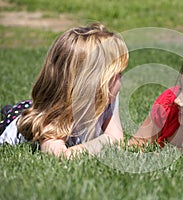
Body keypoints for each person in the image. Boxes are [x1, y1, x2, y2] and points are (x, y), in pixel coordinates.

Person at [0, 22, 129, 158]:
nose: (121, 80)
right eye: (117, 74)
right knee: (22, 113)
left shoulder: (107, 98)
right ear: (96, 84)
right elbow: (58, 155)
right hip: (21, 120)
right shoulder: (53, 118)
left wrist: (108, 140)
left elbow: (116, 139)